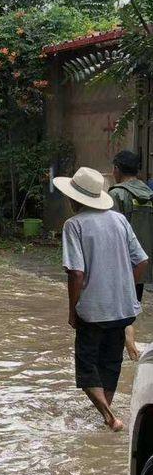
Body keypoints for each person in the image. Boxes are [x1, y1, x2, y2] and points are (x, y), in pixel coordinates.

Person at [55, 166, 148, 432]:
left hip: (93, 310)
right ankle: (104, 417)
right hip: (122, 309)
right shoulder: (118, 220)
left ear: (75, 199)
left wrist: (73, 311)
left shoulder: (74, 225)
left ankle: (109, 416)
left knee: (86, 369)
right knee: (110, 363)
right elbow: (141, 260)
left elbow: (76, 273)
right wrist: (125, 288)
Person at [109, 148, 153, 360]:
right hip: (143, 267)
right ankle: (132, 352)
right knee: (131, 307)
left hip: (119, 267)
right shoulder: (150, 195)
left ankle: (124, 351)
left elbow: (110, 233)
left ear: (116, 169)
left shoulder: (117, 194)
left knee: (116, 314)